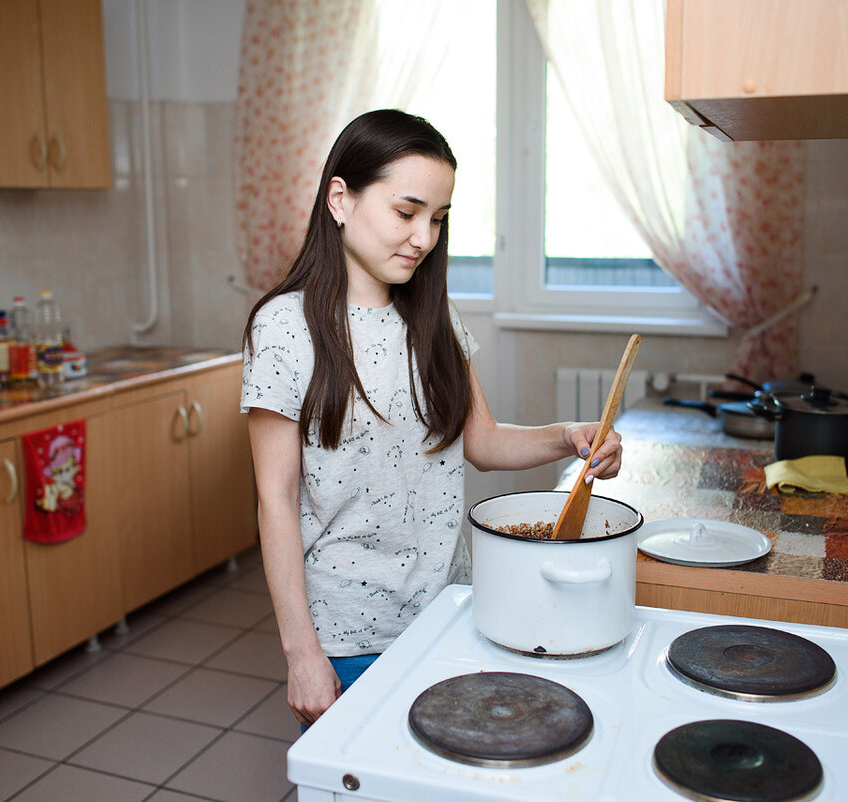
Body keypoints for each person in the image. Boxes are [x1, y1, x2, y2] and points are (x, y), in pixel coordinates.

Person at [240, 109, 623, 727]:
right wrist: (301, 653)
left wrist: (570, 437)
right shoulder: (285, 327)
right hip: (348, 638)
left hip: (453, 610)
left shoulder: (435, 319)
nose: (424, 237)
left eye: (438, 219)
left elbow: (485, 441)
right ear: (340, 199)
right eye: (406, 212)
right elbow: (275, 499)